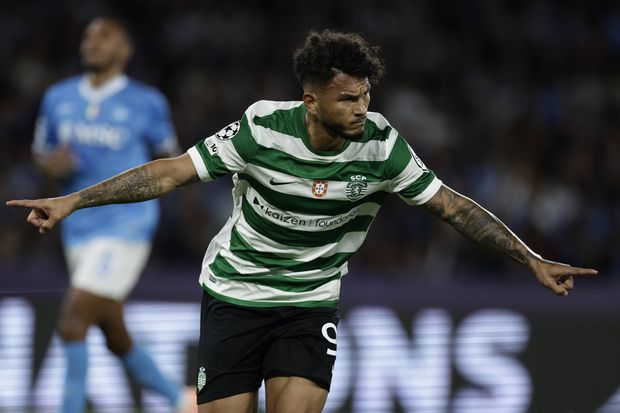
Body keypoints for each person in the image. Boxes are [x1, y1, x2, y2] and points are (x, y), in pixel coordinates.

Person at [9, 30, 597, 413]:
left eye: (366, 96)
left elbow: (452, 206)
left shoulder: (382, 145)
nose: (362, 109)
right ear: (312, 101)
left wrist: (530, 259)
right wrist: (73, 200)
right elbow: (170, 173)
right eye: (348, 100)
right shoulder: (262, 128)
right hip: (235, 295)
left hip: (309, 304)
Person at [27, 16, 190, 413]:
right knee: (113, 331)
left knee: (73, 320)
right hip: (76, 225)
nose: (93, 42)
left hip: (127, 223)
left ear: (125, 50)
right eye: (88, 35)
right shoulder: (58, 96)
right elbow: (41, 153)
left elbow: (170, 159)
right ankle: (179, 399)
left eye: (105, 36)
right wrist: (51, 165)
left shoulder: (147, 102)